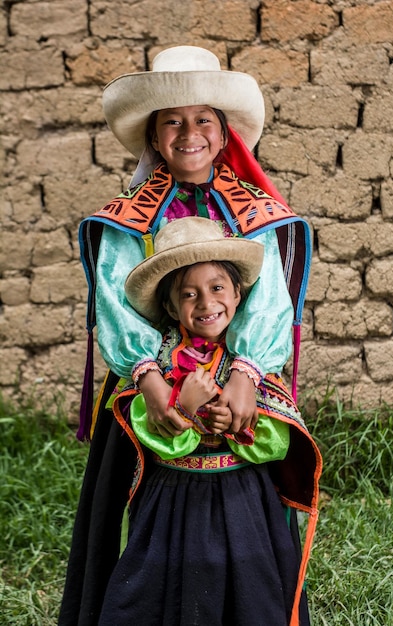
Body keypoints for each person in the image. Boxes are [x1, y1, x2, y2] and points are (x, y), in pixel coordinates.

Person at [59, 45, 319, 626]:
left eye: (203, 119)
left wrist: (247, 378)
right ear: (154, 134)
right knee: (150, 513)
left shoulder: (255, 212)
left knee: (247, 515)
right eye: (172, 121)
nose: (189, 132)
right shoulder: (128, 220)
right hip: (147, 387)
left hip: (241, 387)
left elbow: (269, 296)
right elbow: (114, 300)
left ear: (224, 135)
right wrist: (151, 381)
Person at [99, 216, 320, 625]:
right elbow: (150, 435)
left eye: (218, 288)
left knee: (251, 594)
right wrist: (181, 407)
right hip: (172, 502)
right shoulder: (156, 368)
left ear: (238, 295)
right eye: (188, 294)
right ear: (169, 306)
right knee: (164, 589)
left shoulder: (250, 368)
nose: (205, 303)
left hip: (244, 503)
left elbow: (277, 439)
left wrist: (237, 424)